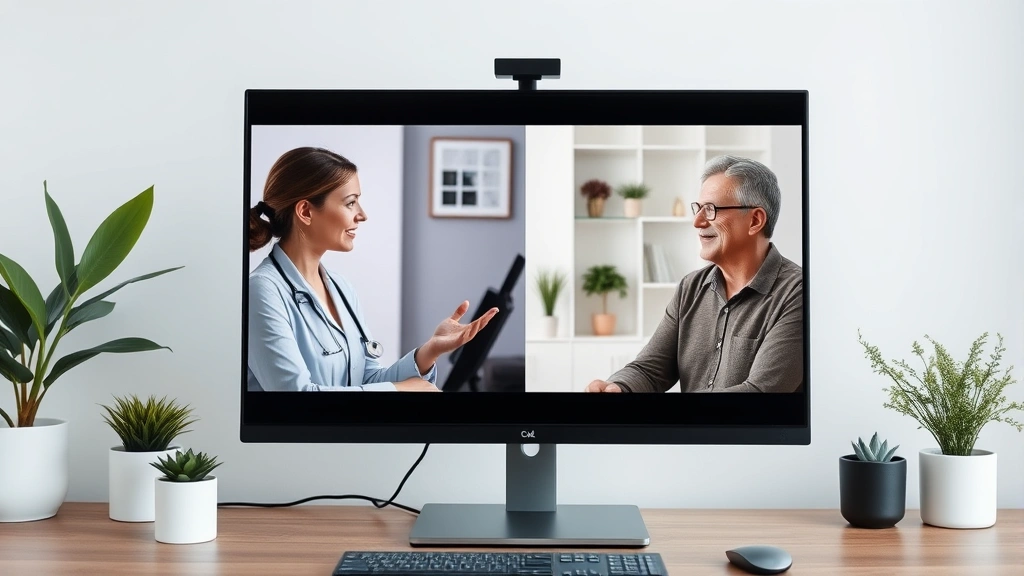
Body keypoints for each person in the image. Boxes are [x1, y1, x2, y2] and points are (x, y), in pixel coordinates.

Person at [247, 146, 498, 392]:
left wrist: (430, 350)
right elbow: (293, 397)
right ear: (305, 211)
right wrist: (402, 391)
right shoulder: (262, 291)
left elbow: (367, 379)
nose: (362, 215)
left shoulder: (341, 288)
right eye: (350, 203)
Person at [585, 155, 803, 393]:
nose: (697, 222)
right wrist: (619, 387)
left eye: (710, 210)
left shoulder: (798, 292)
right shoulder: (691, 287)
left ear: (755, 220)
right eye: (698, 209)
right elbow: (650, 370)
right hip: (690, 430)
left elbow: (760, 394)